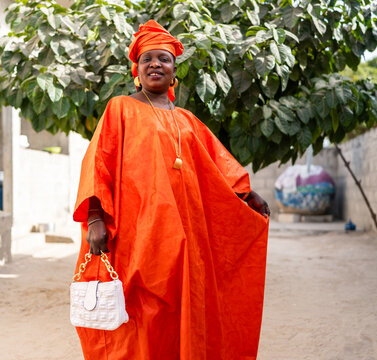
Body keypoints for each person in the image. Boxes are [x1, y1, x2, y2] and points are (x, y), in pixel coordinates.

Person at [72, 20, 270, 360]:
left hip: (185, 238)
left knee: (180, 313)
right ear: (137, 68)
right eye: (148, 58)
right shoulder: (120, 108)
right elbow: (97, 163)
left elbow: (218, 166)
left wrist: (246, 194)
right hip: (137, 236)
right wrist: (94, 218)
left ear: (174, 70)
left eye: (163, 59)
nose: (155, 65)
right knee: (140, 314)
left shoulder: (188, 121)